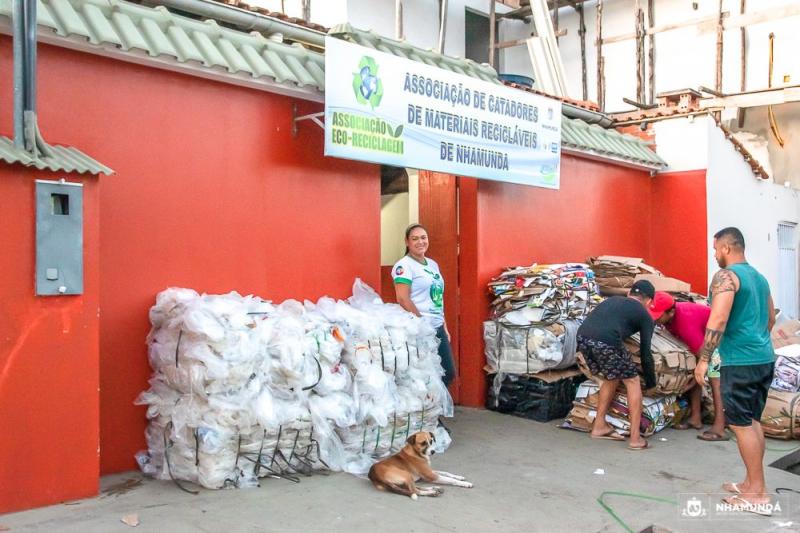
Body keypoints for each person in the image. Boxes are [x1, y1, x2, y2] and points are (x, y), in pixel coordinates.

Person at [694, 227, 776, 513]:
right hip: (763, 358)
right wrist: (758, 342)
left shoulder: (726, 276)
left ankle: (758, 494)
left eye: (715, 249)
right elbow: (770, 318)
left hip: (740, 362)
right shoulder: (759, 278)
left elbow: (718, 318)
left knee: (741, 425)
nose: (715, 254)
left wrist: (704, 359)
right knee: (752, 421)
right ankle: (751, 484)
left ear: (726, 248)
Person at [577, 279, 657, 450]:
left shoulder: (612, 300)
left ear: (629, 293)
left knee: (611, 376)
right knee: (632, 381)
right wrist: (651, 383)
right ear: (649, 301)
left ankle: (599, 426)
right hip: (607, 341)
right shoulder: (645, 316)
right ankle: (635, 439)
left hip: (583, 338)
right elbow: (646, 354)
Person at [649, 292, 728, 441]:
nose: (655, 319)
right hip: (702, 341)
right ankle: (695, 418)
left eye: (658, 315)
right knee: (694, 370)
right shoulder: (670, 318)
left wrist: (692, 380)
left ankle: (720, 426)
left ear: (671, 312)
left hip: (718, 343)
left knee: (715, 379)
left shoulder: (685, 322)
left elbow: (704, 354)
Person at [392, 224, 455, 387]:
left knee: (447, 372)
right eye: (415, 239)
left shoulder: (432, 265)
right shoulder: (403, 266)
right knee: (424, 374)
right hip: (418, 329)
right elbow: (402, 298)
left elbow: (437, 297)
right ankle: (429, 403)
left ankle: (436, 402)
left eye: (423, 238)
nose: (420, 242)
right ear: (407, 242)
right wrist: (422, 324)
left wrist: (444, 326)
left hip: (437, 327)